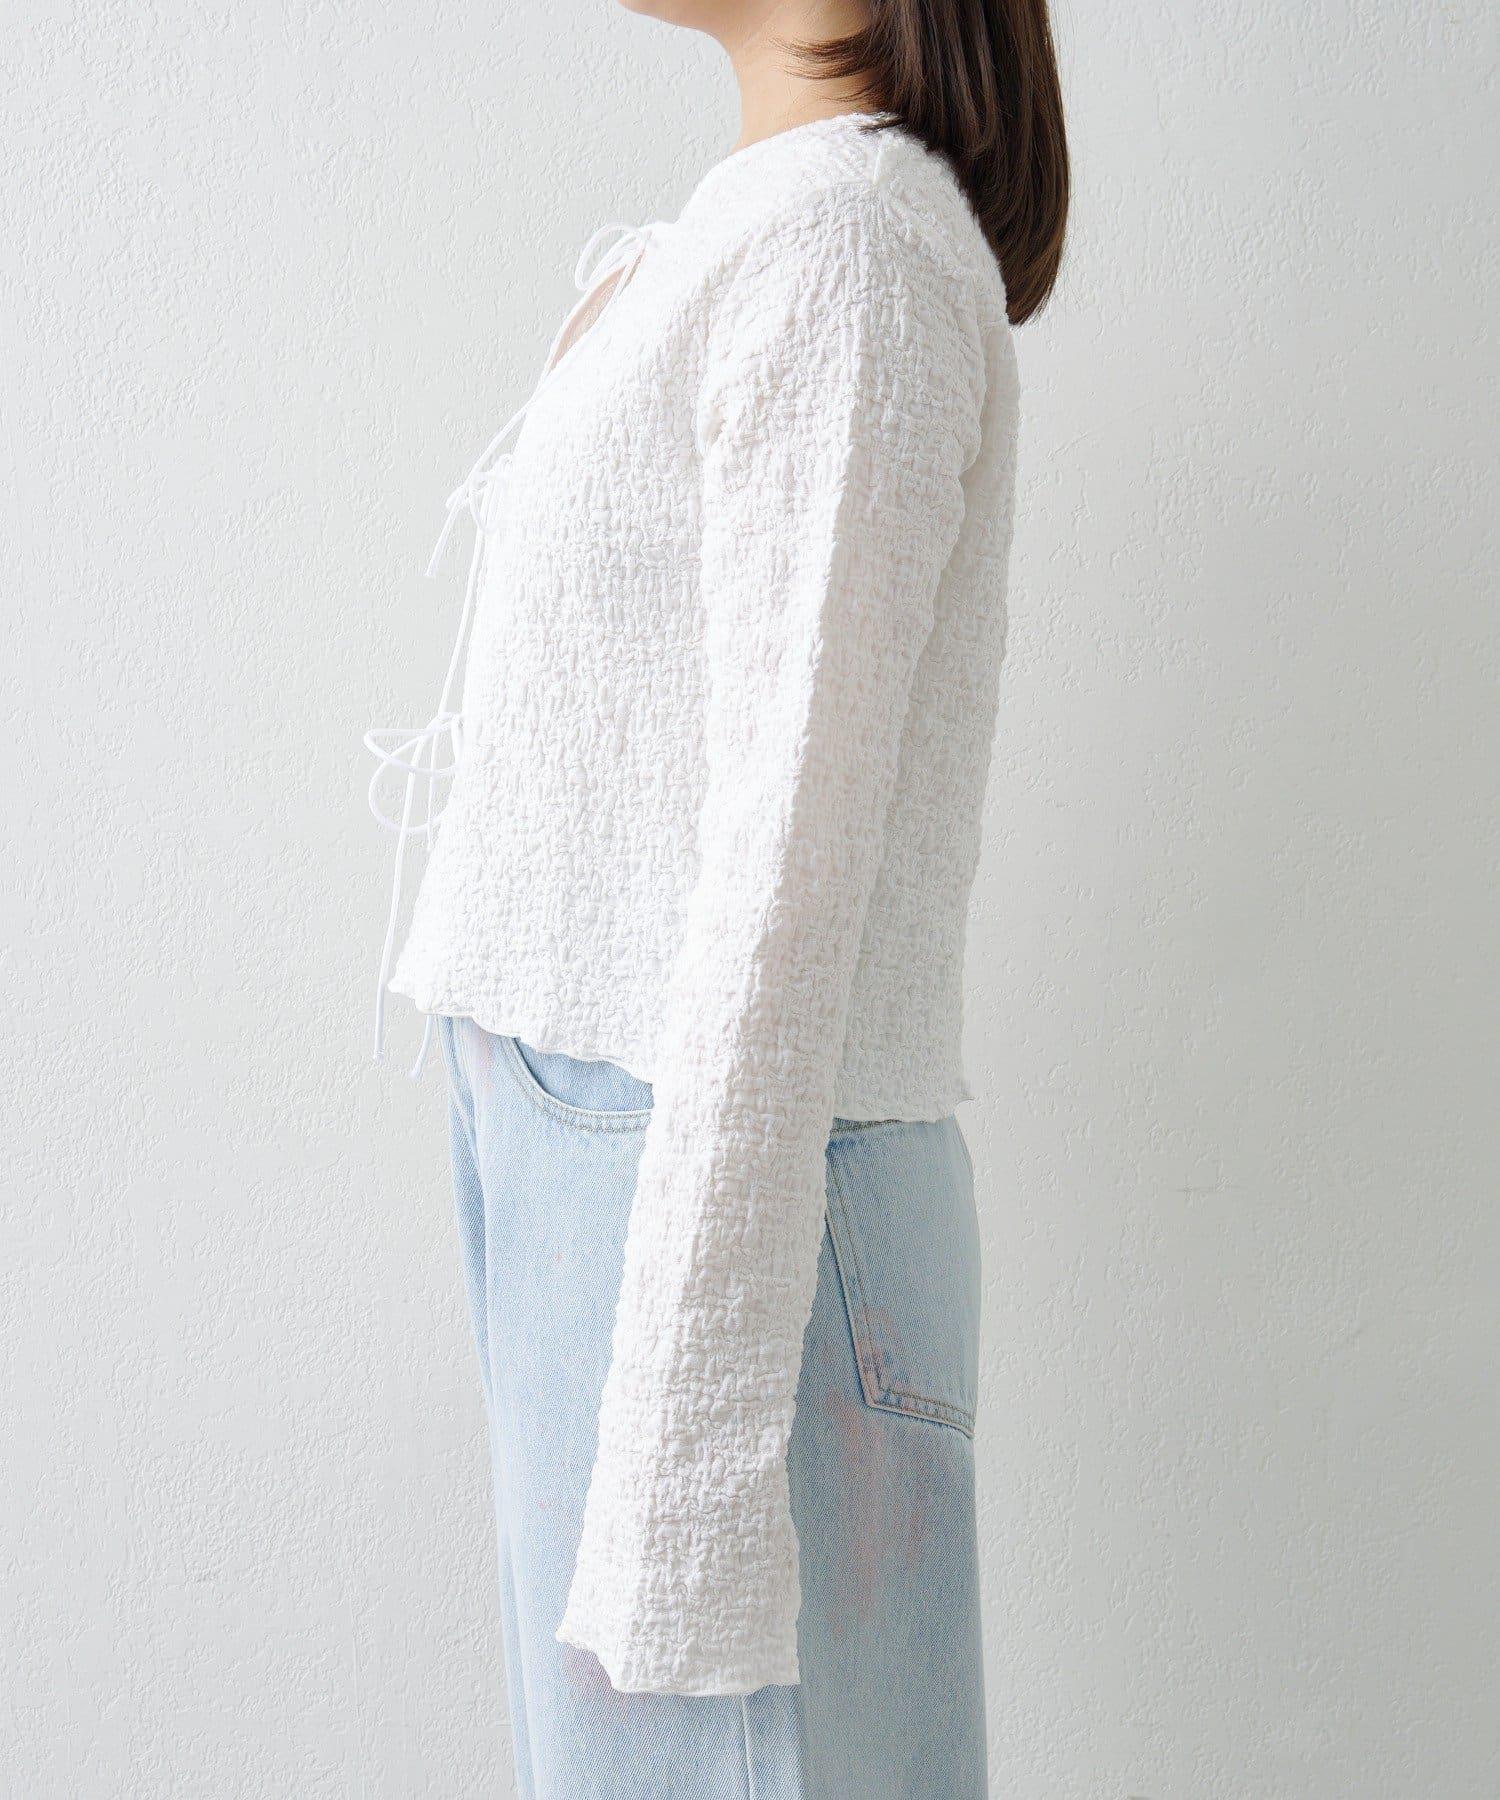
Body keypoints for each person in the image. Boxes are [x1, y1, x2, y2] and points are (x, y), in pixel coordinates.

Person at [367, 1, 1068, 1792]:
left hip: (723, 1176)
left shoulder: (846, 248)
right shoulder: (771, 226)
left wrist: (692, 1464)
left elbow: (786, 873)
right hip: (630, 1152)